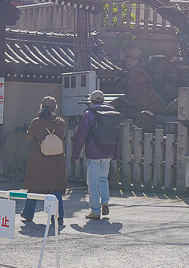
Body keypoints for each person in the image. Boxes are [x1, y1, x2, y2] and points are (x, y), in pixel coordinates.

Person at [73, 90, 121, 220]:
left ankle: (95, 211)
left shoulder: (89, 114)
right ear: (103, 100)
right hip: (109, 153)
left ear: (91, 100)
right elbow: (118, 136)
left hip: (94, 154)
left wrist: (76, 154)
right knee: (103, 179)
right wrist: (117, 154)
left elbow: (81, 135)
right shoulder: (112, 114)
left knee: (92, 183)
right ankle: (104, 202)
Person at [21, 96, 67, 226]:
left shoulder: (36, 122)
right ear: (55, 108)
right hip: (56, 161)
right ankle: (58, 217)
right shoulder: (61, 122)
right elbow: (62, 136)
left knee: (34, 187)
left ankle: (28, 214)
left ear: (41, 107)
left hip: (38, 159)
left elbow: (29, 136)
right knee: (55, 188)